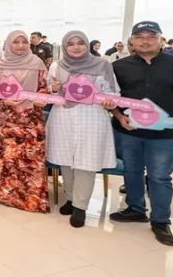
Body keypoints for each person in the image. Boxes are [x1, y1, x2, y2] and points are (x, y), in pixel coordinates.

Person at [109, 21, 173, 247]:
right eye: (139, 36)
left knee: (160, 177)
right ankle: (135, 209)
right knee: (131, 171)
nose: (145, 40)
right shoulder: (119, 66)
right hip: (128, 130)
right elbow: (111, 96)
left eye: (151, 36)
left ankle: (161, 220)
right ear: (132, 41)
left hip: (165, 134)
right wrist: (118, 115)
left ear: (161, 39)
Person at [47, 31, 119, 227]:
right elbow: (49, 90)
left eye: (80, 43)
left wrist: (109, 101)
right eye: (71, 44)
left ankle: (80, 207)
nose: (76, 47)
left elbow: (113, 92)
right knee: (66, 160)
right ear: (65, 46)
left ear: (87, 44)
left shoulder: (103, 65)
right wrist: (53, 88)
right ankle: (70, 198)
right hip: (63, 117)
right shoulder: (57, 65)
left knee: (85, 162)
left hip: (91, 117)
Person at [0, 31, 49, 213]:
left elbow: (44, 88)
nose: (21, 45)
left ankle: (32, 199)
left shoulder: (37, 63)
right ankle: (5, 195)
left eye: (24, 42)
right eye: (16, 42)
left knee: (32, 159)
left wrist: (43, 98)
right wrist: (3, 100)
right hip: (8, 120)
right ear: (9, 44)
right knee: (9, 159)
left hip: (31, 119)